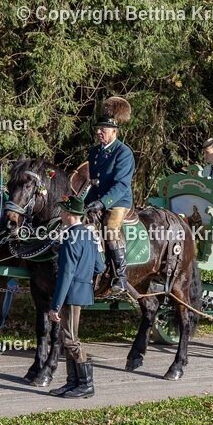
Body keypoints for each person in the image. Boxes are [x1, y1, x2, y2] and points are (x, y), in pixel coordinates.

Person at [47, 196, 105, 399]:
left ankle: (86, 384)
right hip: (82, 291)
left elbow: (66, 274)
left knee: (71, 340)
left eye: (63, 211)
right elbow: (100, 266)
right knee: (68, 337)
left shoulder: (71, 237)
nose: (61, 214)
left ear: (71, 214)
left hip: (71, 294)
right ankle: (72, 382)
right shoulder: (89, 236)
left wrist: (55, 306)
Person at [84, 96, 136, 297]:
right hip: (95, 199)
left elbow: (121, 184)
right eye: (97, 129)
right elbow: (92, 179)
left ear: (114, 131)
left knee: (111, 230)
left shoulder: (124, 153)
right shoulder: (95, 151)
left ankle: (121, 277)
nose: (98, 132)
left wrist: (103, 202)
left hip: (118, 201)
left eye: (103, 130)